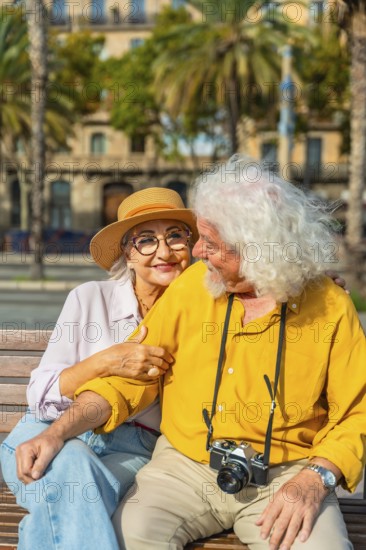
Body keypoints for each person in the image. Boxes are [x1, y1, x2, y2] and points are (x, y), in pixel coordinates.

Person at [44, 155, 365, 550]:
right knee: (122, 538)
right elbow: (130, 380)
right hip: (183, 466)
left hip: (289, 474)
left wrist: (317, 478)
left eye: (210, 243)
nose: (196, 252)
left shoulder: (331, 306)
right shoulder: (194, 285)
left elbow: (356, 413)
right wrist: (58, 431)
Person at [0, 187, 198, 550]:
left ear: (192, 244)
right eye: (146, 240)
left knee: (55, 511)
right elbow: (41, 394)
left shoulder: (205, 311)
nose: (164, 252)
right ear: (127, 250)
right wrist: (107, 361)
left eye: (175, 236)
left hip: (132, 449)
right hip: (41, 435)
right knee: (73, 466)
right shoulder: (90, 298)